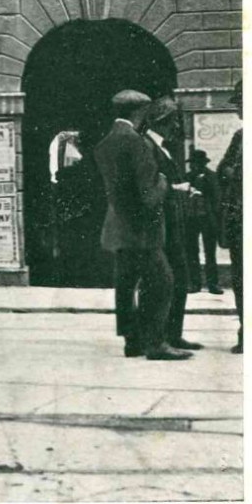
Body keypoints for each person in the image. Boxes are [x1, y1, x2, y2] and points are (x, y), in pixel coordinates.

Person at [95, 90, 185, 360]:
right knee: (163, 281)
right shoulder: (136, 142)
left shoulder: (107, 141)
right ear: (139, 111)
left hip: (119, 225)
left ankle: (131, 341)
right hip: (143, 228)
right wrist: (165, 183)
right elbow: (149, 193)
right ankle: (156, 344)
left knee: (124, 284)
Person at [145, 98, 201, 352]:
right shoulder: (147, 146)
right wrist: (177, 188)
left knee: (180, 278)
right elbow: (149, 187)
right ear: (162, 121)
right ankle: (160, 338)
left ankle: (173, 335)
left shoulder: (163, 147)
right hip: (161, 226)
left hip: (174, 224)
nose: (177, 125)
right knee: (164, 281)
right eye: (173, 120)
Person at [217, 82, 243, 354]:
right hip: (239, 222)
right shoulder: (239, 137)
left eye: (240, 103)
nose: (238, 110)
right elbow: (223, 168)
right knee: (241, 280)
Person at [185, 149, 223, 294]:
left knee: (210, 252)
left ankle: (213, 284)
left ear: (201, 164)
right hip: (191, 219)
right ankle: (195, 283)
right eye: (191, 163)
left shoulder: (211, 177)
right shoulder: (187, 177)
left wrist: (202, 194)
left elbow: (217, 199)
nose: (192, 166)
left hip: (208, 219)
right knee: (191, 251)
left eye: (195, 163)